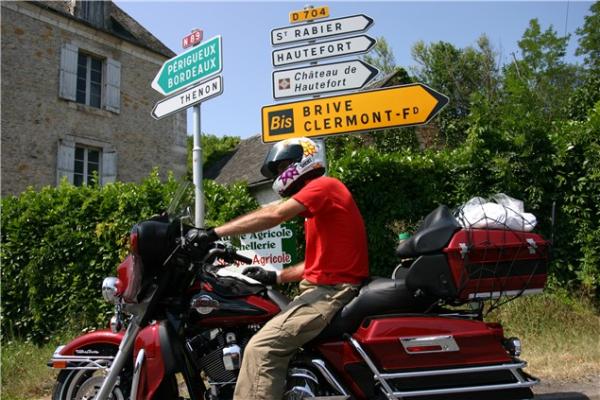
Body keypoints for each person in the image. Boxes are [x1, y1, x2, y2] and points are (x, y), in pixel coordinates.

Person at [203, 137, 369, 400]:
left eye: (282, 167)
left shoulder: (323, 186)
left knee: (261, 348)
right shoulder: (321, 203)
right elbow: (317, 263)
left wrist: (212, 233)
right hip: (325, 288)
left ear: (303, 159)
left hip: (331, 292)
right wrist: (275, 275)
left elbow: (274, 215)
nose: (281, 175)